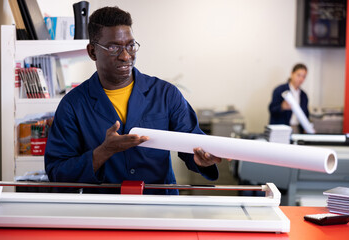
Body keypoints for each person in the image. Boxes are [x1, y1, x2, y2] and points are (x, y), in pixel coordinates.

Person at [45, 6, 221, 195]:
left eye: (130, 45)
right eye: (113, 47)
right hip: (103, 211)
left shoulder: (165, 94)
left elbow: (192, 143)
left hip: (159, 208)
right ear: (92, 52)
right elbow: (58, 173)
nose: (126, 56)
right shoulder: (73, 105)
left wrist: (202, 159)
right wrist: (103, 151)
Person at [268, 63, 309, 133]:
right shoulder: (280, 90)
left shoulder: (304, 95)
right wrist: (282, 107)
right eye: (298, 75)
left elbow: (306, 114)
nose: (301, 79)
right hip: (281, 129)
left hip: (296, 128)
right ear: (292, 74)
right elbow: (271, 109)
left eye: (304, 77)